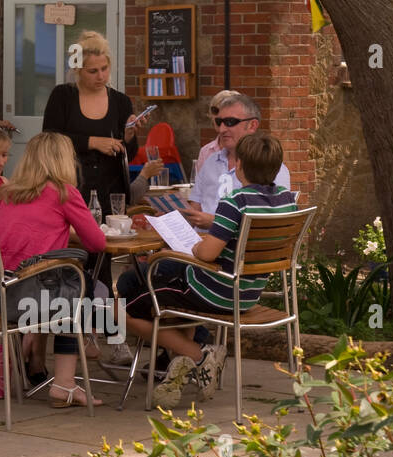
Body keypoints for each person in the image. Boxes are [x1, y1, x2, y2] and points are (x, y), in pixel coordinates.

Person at [117, 132, 293, 406]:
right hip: (247, 294)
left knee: (124, 308)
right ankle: (179, 370)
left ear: (240, 165)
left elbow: (207, 253)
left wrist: (188, 248)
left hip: (213, 291)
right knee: (165, 291)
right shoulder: (285, 200)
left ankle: (200, 355)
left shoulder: (235, 202)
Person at [0, 132, 106, 408]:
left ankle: (59, 351)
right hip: (31, 298)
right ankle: (65, 381)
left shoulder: (8, 193)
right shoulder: (64, 192)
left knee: (66, 284)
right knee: (79, 285)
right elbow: (97, 242)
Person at [42, 30, 147, 239]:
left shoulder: (121, 101)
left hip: (109, 192)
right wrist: (91, 142)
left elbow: (129, 155)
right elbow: (49, 141)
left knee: (104, 254)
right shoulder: (63, 96)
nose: (101, 76)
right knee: (71, 250)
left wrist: (128, 137)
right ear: (78, 70)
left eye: (104, 69)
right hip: (70, 188)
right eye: (92, 71)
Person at [184, 92, 291, 230]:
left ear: (252, 125)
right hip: (198, 242)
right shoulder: (210, 162)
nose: (222, 129)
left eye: (230, 122)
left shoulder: (270, 169)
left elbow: (271, 223)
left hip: (239, 248)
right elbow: (195, 208)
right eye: (219, 122)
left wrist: (217, 222)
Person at [193, 90, 240, 175]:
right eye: (216, 111)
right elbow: (200, 185)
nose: (220, 116)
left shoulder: (251, 150)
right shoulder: (206, 151)